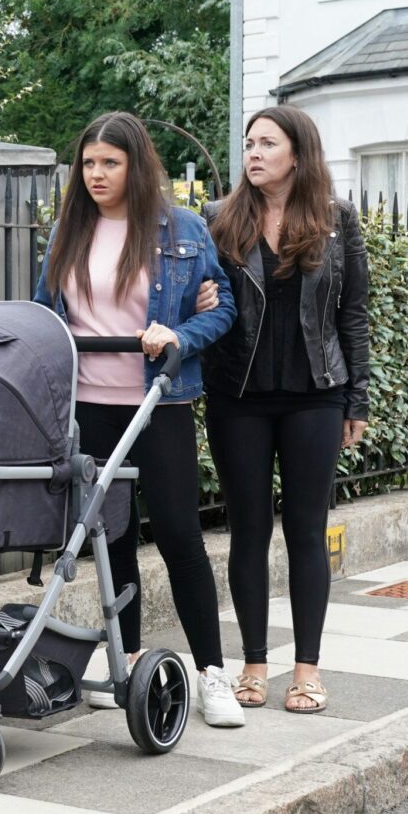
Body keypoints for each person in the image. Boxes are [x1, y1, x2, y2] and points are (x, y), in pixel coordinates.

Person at [34, 111, 246, 728]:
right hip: (88, 407)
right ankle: (124, 663)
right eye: (89, 163)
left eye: (110, 163)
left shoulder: (180, 228)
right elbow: (45, 314)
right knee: (112, 540)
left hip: (161, 403)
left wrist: (177, 331)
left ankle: (212, 674)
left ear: (136, 165)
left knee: (180, 534)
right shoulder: (68, 231)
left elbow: (222, 305)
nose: (96, 174)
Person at [202, 105, 369, 715]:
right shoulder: (219, 219)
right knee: (247, 531)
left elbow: (353, 313)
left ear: (297, 153)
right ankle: (252, 663)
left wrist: (359, 398)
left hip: (316, 394)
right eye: (248, 143)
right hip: (237, 396)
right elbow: (206, 298)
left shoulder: (333, 219)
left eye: (267, 143)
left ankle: (307, 669)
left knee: (305, 531)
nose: (254, 152)